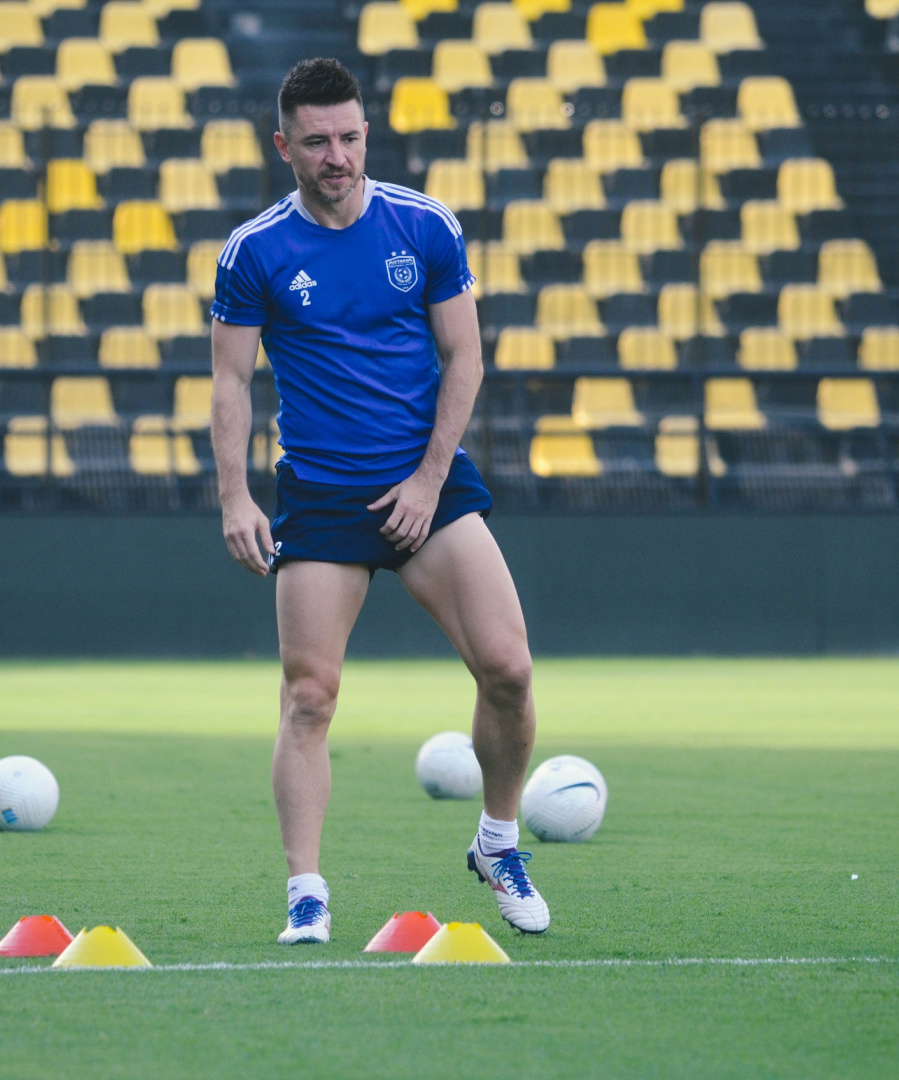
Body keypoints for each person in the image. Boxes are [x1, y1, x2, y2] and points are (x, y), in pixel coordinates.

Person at [209, 58, 548, 944]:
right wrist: (236, 496)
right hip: (323, 496)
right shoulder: (255, 250)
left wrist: (430, 481)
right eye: (317, 141)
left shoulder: (424, 224)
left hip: (425, 485)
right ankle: (306, 893)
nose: (338, 155)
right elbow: (231, 381)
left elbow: (465, 357)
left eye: (350, 137)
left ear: (367, 134)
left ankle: (498, 842)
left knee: (509, 671)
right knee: (309, 697)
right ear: (283, 146)